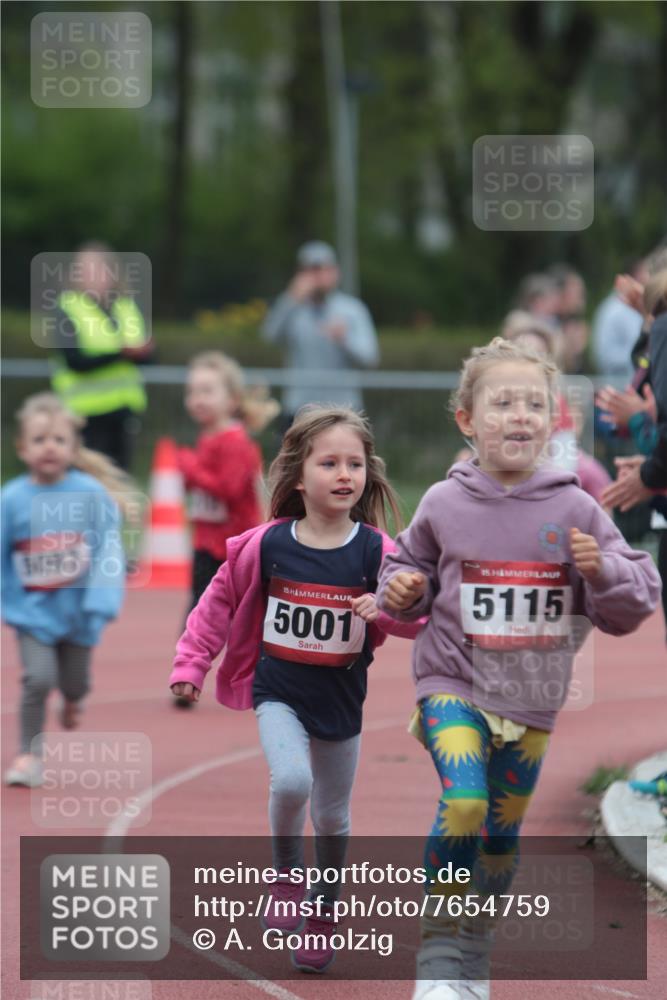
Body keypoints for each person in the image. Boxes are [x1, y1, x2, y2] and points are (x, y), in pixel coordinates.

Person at [374, 339, 660, 1000]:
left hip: (530, 700)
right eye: (501, 403)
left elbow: (633, 598)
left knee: (499, 841)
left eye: (535, 404)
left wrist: (600, 569)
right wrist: (402, 589)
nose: (519, 415)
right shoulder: (444, 503)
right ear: (467, 420)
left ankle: (472, 952)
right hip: (452, 682)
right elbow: (402, 566)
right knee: (465, 801)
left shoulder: (576, 509)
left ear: (554, 420)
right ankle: (439, 955)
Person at [169, 405, 422, 973]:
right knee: (292, 779)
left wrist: (384, 608)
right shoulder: (266, 545)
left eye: (354, 463)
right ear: (298, 475)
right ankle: (286, 876)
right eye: (329, 462)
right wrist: (193, 664)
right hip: (278, 690)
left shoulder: (377, 551)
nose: (344, 474)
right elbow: (217, 604)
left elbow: (415, 621)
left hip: (341, 701)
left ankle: (323, 914)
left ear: (368, 474)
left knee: (332, 817)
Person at [1, 393, 127, 787]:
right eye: (39, 440)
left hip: (78, 614)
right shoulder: (11, 499)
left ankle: (73, 701)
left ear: (73, 448)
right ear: (23, 449)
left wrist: (101, 601)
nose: (49, 447)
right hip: (33, 613)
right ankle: (28, 754)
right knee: (37, 679)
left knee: (74, 682)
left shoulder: (90, 495)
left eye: (58, 439)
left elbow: (110, 547)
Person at [173, 351, 279, 705]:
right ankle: (187, 672)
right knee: (200, 609)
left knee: (242, 613)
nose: (197, 399)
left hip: (236, 547)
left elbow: (229, 489)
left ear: (232, 399)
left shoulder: (235, 442)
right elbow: (204, 492)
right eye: (192, 392)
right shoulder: (207, 439)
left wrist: (189, 469)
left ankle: (262, 672)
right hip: (207, 541)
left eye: (207, 391)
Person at [50, 242, 153, 470]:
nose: (93, 276)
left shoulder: (126, 307)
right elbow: (74, 360)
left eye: (98, 269)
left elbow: (145, 356)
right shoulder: (68, 307)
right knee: (86, 481)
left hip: (122, 410)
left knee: (119, 479)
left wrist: (143, 352)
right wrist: (121, 354)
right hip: (84, 414)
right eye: (85, 270)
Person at [262, 241, 380, 423]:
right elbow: (269, 337)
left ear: (335, 272)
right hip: (299, 409)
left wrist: (344, 339)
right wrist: (290, 299)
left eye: (322, 269)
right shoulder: (292, 308)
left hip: (344, 411)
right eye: (310, 270)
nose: (317, 277)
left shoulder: (352, 309)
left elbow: (370, 357)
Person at [591, 256, 648, 382]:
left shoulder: (633, 309)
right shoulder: (614, 310)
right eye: (645, 273)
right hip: (620, 383)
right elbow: (605, 356)